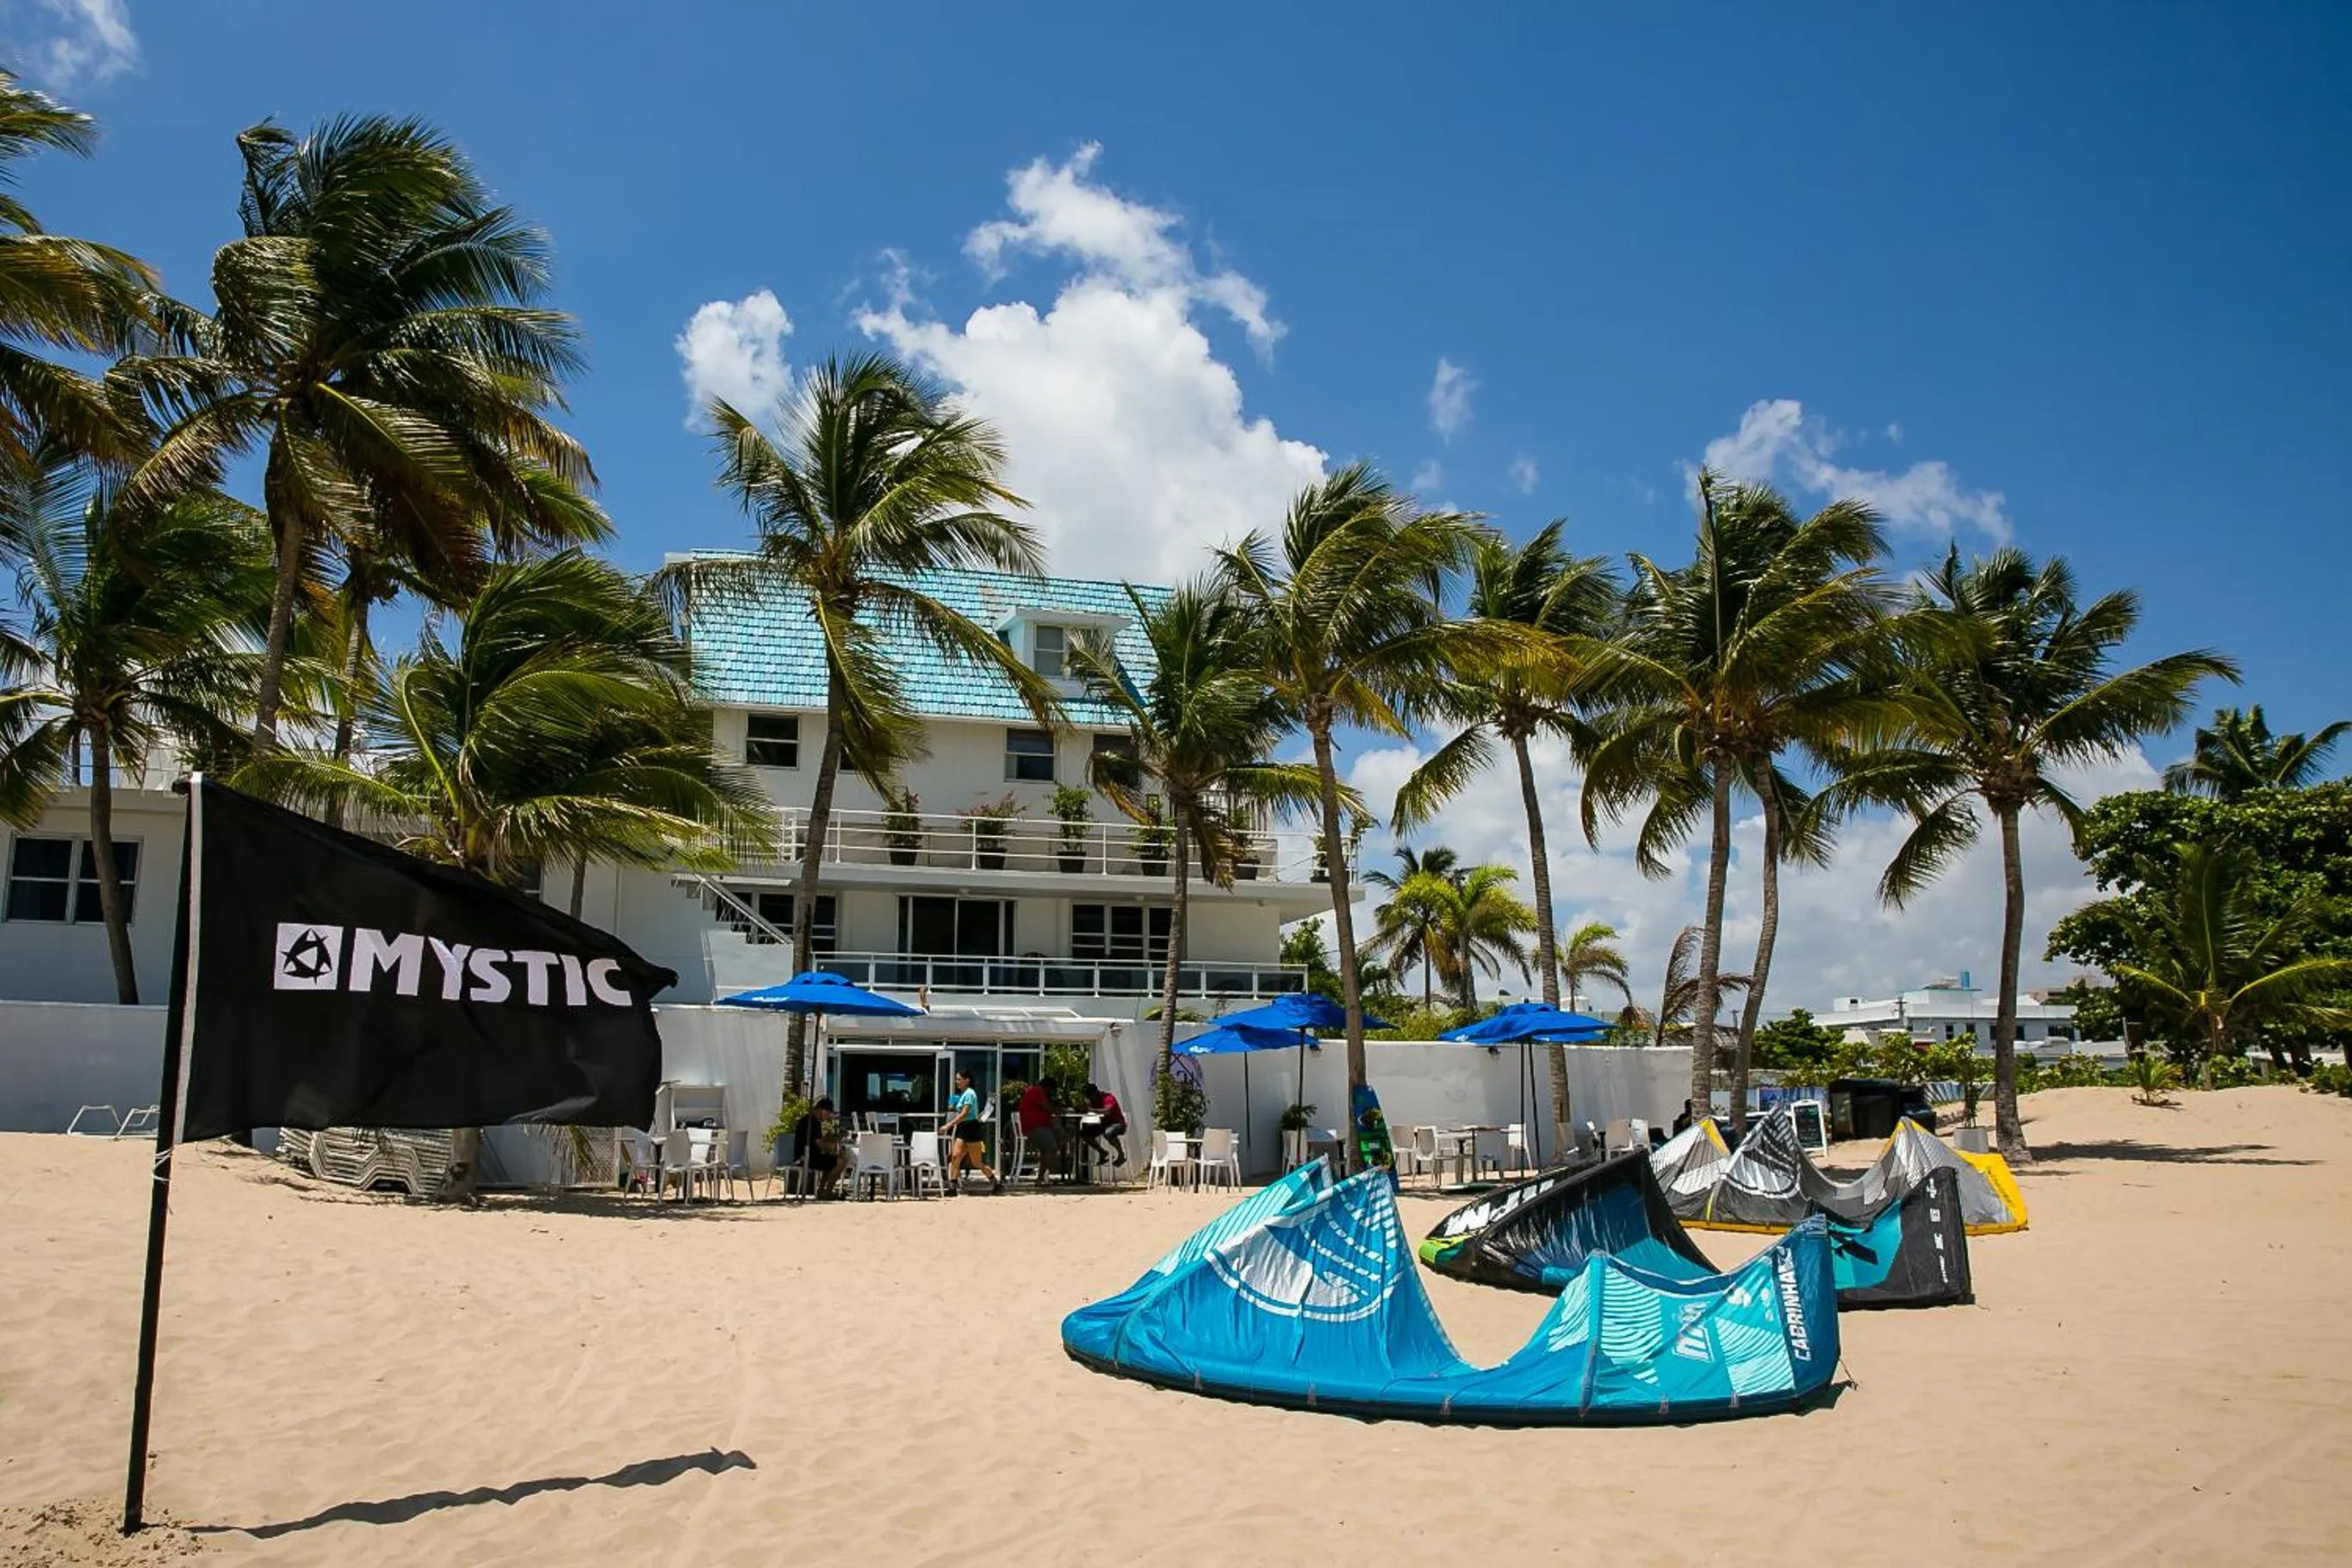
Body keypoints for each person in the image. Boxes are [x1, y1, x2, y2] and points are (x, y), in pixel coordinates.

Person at [940, 1069, 1001, 1194]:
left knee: (977, 1162)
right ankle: (952, 1187)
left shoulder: (969, 1093)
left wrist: (949, 1125)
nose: (957, 1082)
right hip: (963, 1128)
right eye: (956, 1079)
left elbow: (965, 1113)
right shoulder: (963, 1094)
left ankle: (995, 1182)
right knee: (955, 1157)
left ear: (967, 1080)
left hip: (972, 1129)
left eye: (959, 1079)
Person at [796, 1096, 849, 1198]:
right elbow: (820, 1145)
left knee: (831, 1160)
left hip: (808, 1155)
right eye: (828, 1113)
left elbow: (819, 1141)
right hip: (806, 1157)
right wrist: (835, 1148)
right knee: (842, 1161)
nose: (828, 1116)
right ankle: (827, 1192)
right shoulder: (812, 1122)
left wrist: (834, 1137)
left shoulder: (811, 1120)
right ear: (820, 1109)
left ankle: (822, 1190)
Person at [1015, 1079, 1059, 1185]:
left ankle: (1042, 1174)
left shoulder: (1034, 1091)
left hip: (1039, 1126)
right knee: (1051, 1148)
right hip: (1036, 1127)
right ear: (1048, 1088)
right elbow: (1047, 1106)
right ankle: (1041, 1177)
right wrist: (1056, 1110)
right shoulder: (1037, 1091)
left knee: (1059, 1139)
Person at [1081, 1082, 1128, 1174]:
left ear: (1096, 1092)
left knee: (1109, 1133)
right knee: (1084, 1134)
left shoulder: (1108, 1097)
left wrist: (1091, 1109)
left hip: (1117, 1123)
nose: (1091, 1098)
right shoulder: (1092, 1101)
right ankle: (1102, 1152)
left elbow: (1107, 1112)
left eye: (1091, 1096)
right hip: (1104, 1124)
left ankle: (1121, 1155)